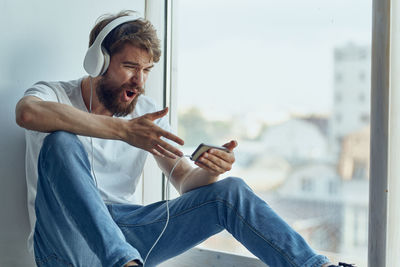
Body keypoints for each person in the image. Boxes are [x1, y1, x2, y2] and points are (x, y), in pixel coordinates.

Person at [15, 10, 355, 267]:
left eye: (146, 70)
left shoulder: (144, 112)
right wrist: (123, 131)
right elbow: (27, 113)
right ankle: (124, 262)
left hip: (128, 232)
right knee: (61, 142)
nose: (140, 81)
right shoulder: (55, 94)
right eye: (130, 66)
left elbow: (183, 179)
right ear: (98, 60)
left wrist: (211, 170)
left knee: (230, 191)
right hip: (65, 239)